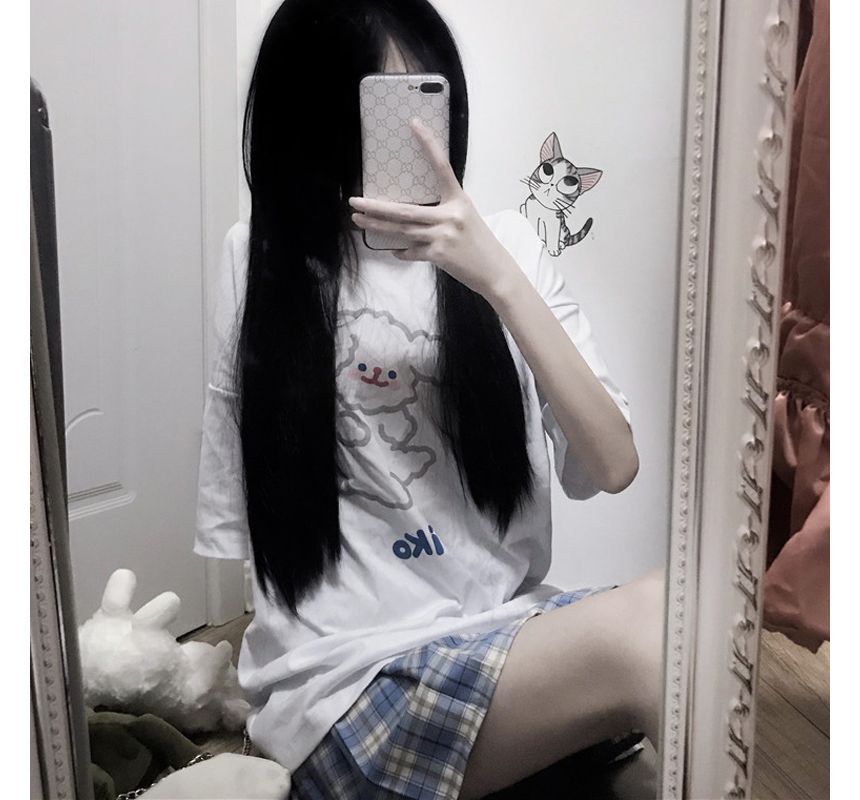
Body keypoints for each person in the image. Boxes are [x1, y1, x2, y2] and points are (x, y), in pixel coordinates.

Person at [194, 1, 664, 797]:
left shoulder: (507, 248)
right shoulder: (264, 261)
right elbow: (251, 522)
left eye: (428, 100)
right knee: (653, 630)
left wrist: (496, 277)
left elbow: (614, 464)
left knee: (684, 614)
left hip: (499, 636)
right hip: (345, 685)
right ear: (313, 113)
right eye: (381, 104)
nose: (411, 135)